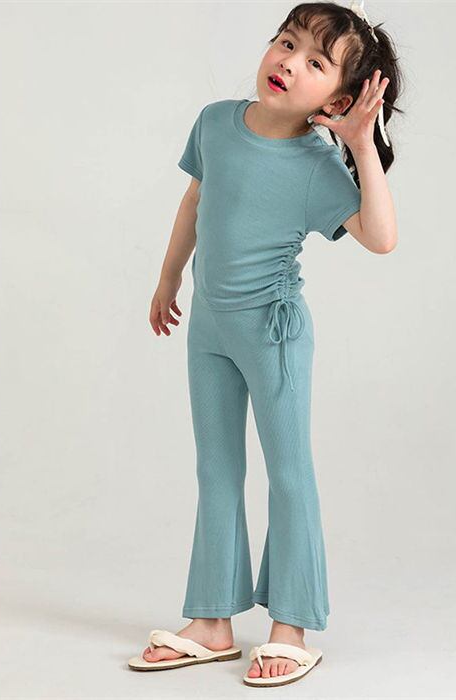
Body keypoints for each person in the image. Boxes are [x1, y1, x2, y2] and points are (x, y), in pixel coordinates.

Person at [129, 0, 402, 687]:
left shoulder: (316, 164)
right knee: (216, 470)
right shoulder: (215, 122)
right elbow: (195, 203)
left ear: (337, 100)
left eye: (315, 61)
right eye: (286, 42)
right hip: (210, 330)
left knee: (289, 474)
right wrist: (167, 278)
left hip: (273, 334)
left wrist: (360, 144)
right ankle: (212, 621)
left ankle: (292, 625)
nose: (289, 62)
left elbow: (381, 238)